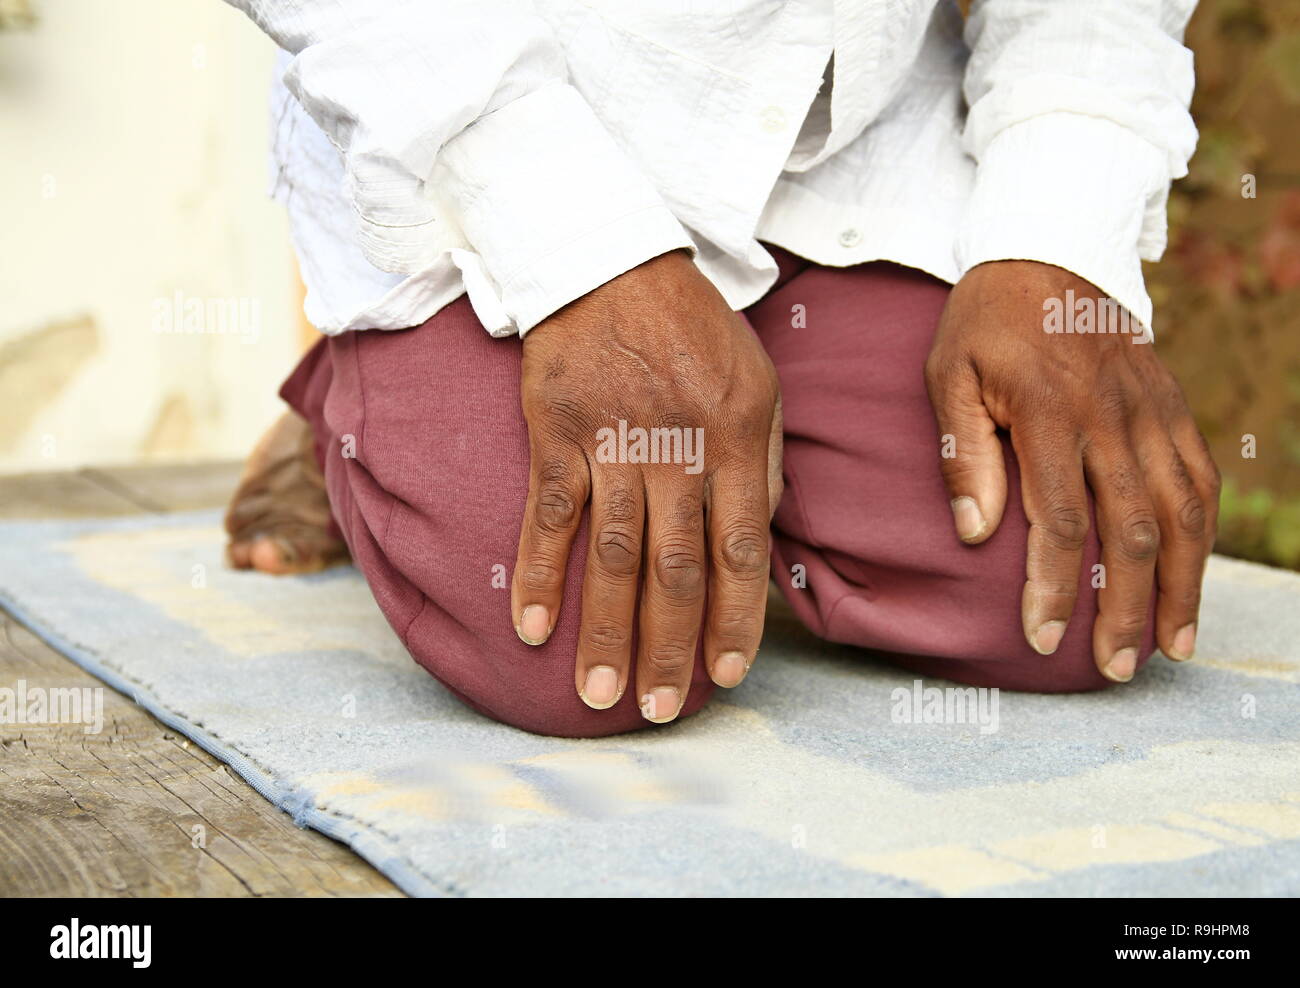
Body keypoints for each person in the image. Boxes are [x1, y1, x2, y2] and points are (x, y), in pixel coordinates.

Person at [222, 0, 1219, 738]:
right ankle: (353, 406)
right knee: (573, 646)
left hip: (841, 145)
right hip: (479, 116)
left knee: (1061, 590)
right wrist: (580, 247)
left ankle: (758, 388)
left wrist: (1053, 239)